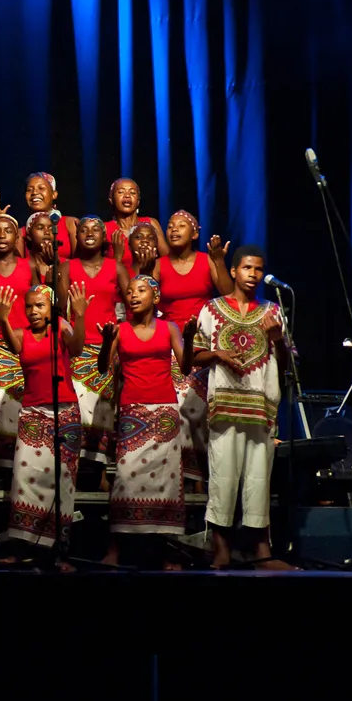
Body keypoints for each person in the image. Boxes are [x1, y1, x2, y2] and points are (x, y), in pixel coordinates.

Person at [190, 245, 294, 570]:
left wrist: (278, 340)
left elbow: (288, 365)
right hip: (224, 405)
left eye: (259, 269)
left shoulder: (274, 312)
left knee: (259, 479)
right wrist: (218, 355)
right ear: (233, 271)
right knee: (222, 477)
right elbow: (194, 356)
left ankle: (261, 551)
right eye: (247, 268)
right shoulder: (212, 309)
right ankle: (220, 548)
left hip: (261, 407)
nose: (254, 275)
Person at [98, 275, 195, 569]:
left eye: (141, 291)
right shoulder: (120, 330)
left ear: (155, 298)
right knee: (126, 480)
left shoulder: (170, 328)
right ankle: (115, 549)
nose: (133, 295)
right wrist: (105, 342)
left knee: (167, 484)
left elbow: (186, 366)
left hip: (164, 412)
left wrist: (189, 340)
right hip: (133, 411)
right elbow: (103, 368)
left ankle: (167, 552)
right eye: (130, 291)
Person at [0, 283, 87, 565]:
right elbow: (12, 345)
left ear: (51, 307)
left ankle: (58, 553)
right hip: (33, 414)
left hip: (65, 412)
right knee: (25, 480)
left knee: (62, 483)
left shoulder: (61, 326)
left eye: (40, 305)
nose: (33, 311)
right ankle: (23, 549)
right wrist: (4, 319)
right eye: (29, 306)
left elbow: (79, 348)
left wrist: (79, 316)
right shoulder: (21, 334)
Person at [144, 210, 232, 491]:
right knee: (178, 408)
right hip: (172, 345)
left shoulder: (206, 262)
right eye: (170, 226)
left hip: (204, 344)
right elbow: (144, 296)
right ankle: (182, 475)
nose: (174, 230)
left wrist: (219, 260)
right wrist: (144, 270)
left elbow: (228, 295)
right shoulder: (159, 265)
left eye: (182, 226)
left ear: (195, 233)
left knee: (203, 411)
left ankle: (202, 476)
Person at [68, 216, 129, 474]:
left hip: (107, 348)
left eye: (96, 229)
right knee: (79, 412)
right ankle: (75, 470)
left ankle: (99, 474)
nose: (89, 233)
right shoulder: (65, 268)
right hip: (77, 349)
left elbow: (133, 306)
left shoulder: (116, 268)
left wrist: (117, 339)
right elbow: (61, 312)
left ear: (105, 237)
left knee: (103, 412)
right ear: (77, 236)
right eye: (84, 230)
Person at [0, 205, 36, 471]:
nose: (1, 235)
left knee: (25, 401)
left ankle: (26, 458)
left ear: (17, 238)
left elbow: (41, 300)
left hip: (26, 344)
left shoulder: (29, 266)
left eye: (8, 231)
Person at [105, 178, 167, 271]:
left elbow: (168, 260)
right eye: (121, 192)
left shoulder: (151, 223)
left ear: (138, 201)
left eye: (132, 193)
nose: (127, 196)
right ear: (111, 199)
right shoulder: (104, 229)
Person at [16, 172, 78, 262]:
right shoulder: (21, 232)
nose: (35, 192)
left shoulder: (70, 224)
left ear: (54, 194)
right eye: (29, 190)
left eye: (41, 188)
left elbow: (80, 264)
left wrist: (58, 263)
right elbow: (18, 268)